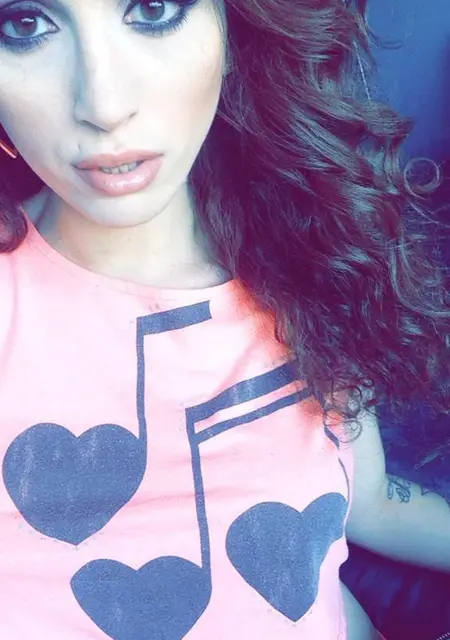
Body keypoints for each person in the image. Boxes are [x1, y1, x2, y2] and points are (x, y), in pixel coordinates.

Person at [0, 0, 448, 638]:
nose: (104, 105)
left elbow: (366, 503)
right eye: (24, 24)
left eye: (153, 8)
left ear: (233, 29)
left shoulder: (310, 258)